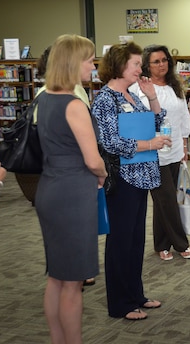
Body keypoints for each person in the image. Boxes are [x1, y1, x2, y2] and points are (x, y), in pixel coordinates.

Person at [34, 34, 108, 344]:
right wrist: (103, 174)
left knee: (56, 277)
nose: (93, 66)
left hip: (50, 189)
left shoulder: (42, 98)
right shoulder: (74, 104)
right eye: (89, 60)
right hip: (73, 194)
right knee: (73, 282)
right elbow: (93, 160)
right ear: (71, 63)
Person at [91, 42, 171, 321]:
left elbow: (157, 120)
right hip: (122, 177)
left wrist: (152, 97)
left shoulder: (132, 95)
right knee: (120, 241)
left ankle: (136, 294)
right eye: (136, 64)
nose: (141, 68)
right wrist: (150, 143)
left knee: (136, 240)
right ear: (119, 65)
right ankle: (120, 304)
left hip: (141, 175)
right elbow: (111, 143)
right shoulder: (105, 99)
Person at [129, 44, 190, 261]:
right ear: (147, 65)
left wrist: (185, 146)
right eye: (156, 61)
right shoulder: (140, 89)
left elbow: (184, 116)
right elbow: (136, 122)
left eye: (165, 60)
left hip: (175, 149)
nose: (162, 65)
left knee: (165, 201)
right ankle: (181, 243)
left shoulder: (175, 87)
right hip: (152, 152)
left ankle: (161, 244)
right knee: (166, 198)